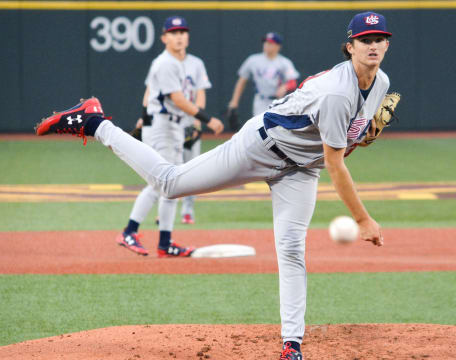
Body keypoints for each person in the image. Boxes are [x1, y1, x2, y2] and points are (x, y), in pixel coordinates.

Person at [35, 11, 391, 359]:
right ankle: (96, 122)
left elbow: (337, 152)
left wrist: (359, 140)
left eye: (379, 39)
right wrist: (361, 219)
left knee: (292, 250)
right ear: (350, 47)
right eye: (365, 40)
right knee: (171, 184)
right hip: (261, 146)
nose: (372, 46)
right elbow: (335, 164)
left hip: (300, 169)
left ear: (386, 45)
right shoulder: (336, 93)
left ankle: (291, 345)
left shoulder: (381, 85)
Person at [115, 15, 223, 257]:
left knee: (174, 185)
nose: (179, 36)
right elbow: (178, 99)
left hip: (171, 127)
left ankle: (165, 243)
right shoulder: (164, 63)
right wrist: (207, 120)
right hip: (162, 127)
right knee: (161, 182)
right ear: (164, 38)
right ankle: (129, 231)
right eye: (173, 32)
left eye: (182, 31)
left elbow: (154, 93)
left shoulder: (187, 63)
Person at [226, 32, 299, 130]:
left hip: (278, 102)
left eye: (270, 43)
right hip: (260, 100)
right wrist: (234, 101)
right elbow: (242, 81)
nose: (266, 45)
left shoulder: (284, 62)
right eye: (265, 42)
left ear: (278, 46)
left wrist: (285, 87)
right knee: (259, 128)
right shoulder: (253, 60)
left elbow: (293, 82)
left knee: (277, 130)